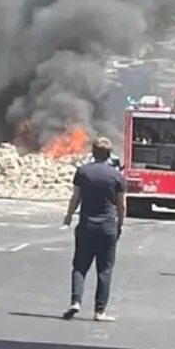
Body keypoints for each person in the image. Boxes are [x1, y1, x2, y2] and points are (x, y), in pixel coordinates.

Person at [61, 137, 125, 322]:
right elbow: (122, 205)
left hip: (86, 225)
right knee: (104, 270)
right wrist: (120, 225)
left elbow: (76, 198)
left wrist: (68, 216)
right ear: (109, 155)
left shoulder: (83, 172)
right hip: (107, 228)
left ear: (93, 152)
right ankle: (99, 312)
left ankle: (75, 301)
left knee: (80, 266)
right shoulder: (116, 176)